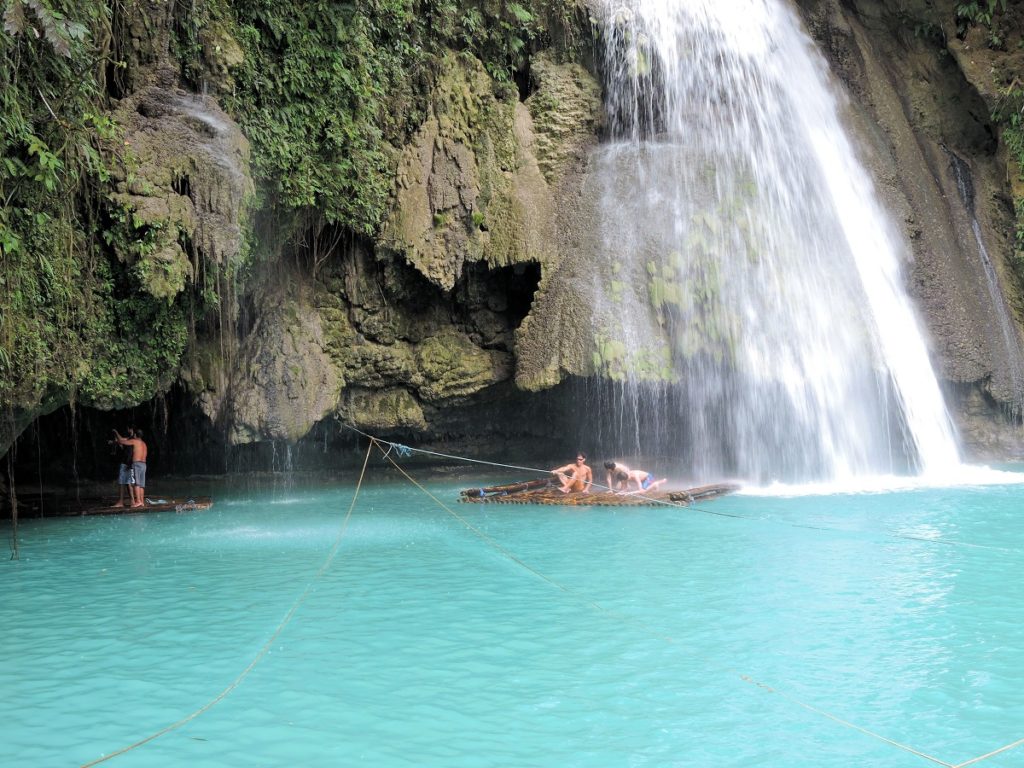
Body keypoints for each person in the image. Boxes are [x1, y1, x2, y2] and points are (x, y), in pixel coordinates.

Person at [114, 427, 148, 508]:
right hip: (144, 465)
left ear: (135, 435)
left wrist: (115, 441)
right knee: (141, 484)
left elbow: (122, 442)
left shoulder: (134, 441)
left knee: (136, 483)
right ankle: (142, 501)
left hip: (136, 464)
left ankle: (138, 501)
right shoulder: (144, 443)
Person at [113, 428, 136, 508]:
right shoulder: (132, 440)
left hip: (128, 463)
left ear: (132, 430)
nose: (128, 430)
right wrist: (115, 442)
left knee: (124, 483)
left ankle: (122, 502)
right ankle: (131, 501)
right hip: (128, 463)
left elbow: (121, 440)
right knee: (127, 483)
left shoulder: (132, 439)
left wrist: (116, 432)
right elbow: (121, 441)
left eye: (129, 429)